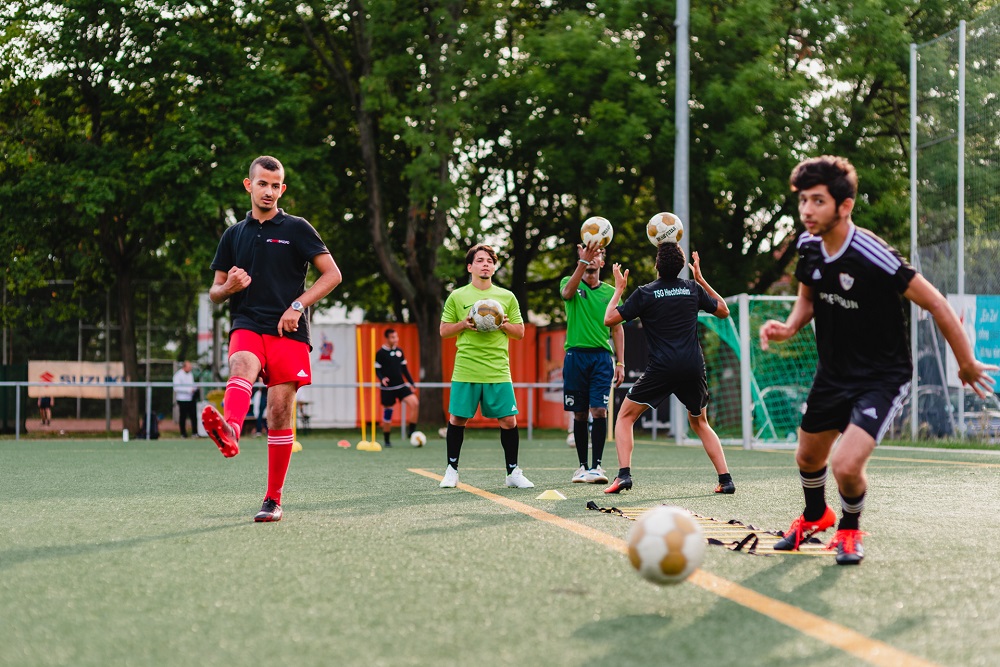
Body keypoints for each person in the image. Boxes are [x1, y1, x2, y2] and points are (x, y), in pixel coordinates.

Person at [759, 155, 996, 565]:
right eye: (803, 202)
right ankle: (816, 517)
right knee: (808, 457)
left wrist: (967, 361)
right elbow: (808, 298)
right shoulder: (807, 245)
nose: (807, 211)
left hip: (882, 376)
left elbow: (937, 303)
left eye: (817, 201)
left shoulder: (873, 254)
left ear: (844, 206)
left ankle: (849, 531)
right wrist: (789, 327)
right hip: (833, 373)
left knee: (846, 466)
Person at [201, 155, 342, 522]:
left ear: (283, 189)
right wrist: (228, 287)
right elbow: (214, 292)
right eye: (262, 183)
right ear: (249, 185)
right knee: (241, 363)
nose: (268, 190)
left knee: (278, 413)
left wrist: (297, 305)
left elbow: (332, 275)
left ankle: (273, 499)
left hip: (288, 331)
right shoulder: (233, 234)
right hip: (248, 322)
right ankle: (231, 430)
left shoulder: (297, 228)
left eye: (275, 185)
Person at [602, 243, 735, 495]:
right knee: (700, 423)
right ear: (682, 267)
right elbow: (724, 311)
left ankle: (624, 476)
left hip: (663, 368)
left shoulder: (645, 293)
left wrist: (618, 289)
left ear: (656, 266)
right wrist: (702, 279)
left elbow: (609, 319)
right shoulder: (692, 288)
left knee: (625, 417)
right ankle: (726, 479)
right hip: (693, 367)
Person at [438, 243, 534, 489]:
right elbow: (444, 331)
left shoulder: (507, 297)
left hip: (498, 370)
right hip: (466, 368)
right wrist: (463, 324)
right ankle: (451, 470)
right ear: (470, 266)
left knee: (509, 421)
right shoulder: (458, 296)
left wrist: (502, 324)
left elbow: (520, 332)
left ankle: (512, 472)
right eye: (480, 260)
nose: (485, 264)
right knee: (457, 419)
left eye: (490, 261)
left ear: (494, 267)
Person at [560, 241, 625, 484]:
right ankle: (581, 466)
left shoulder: (610, 292)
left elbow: (617, 329)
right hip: (575, 356)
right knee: (579, 413)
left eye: (596, 254)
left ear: (603, 262)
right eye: (587, 253)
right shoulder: (570, 283)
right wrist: (582, 262)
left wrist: (621, 363)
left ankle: (597, 466)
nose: (592, 258)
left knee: (599, 410)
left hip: (601, 357)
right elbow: (567, 293)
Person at [375, 328, 419, 447]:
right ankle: (387, 439)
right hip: (388, 388)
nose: (396, 339)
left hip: (401, 385)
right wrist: (382, 378)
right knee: (388, 413)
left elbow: (404, 369)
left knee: (415, 403)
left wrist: (411, 383)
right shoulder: (380, 353)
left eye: (396, 337)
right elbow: (377, 370)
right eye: (393, 337)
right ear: (387, 338)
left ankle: (411, 432)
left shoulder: (400, 351)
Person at [173, 360, 198, 438]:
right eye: (189, 367)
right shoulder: (178, 375)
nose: (190, 368)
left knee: (193, 416)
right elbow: (176, 388)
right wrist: (188, 390)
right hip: (182, 399)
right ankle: (183, 433)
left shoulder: (190, 374)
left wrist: (194, 388)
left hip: (191, 398)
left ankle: (194, 432)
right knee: (183, 416)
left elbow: (192, 384)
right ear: (184, 367)